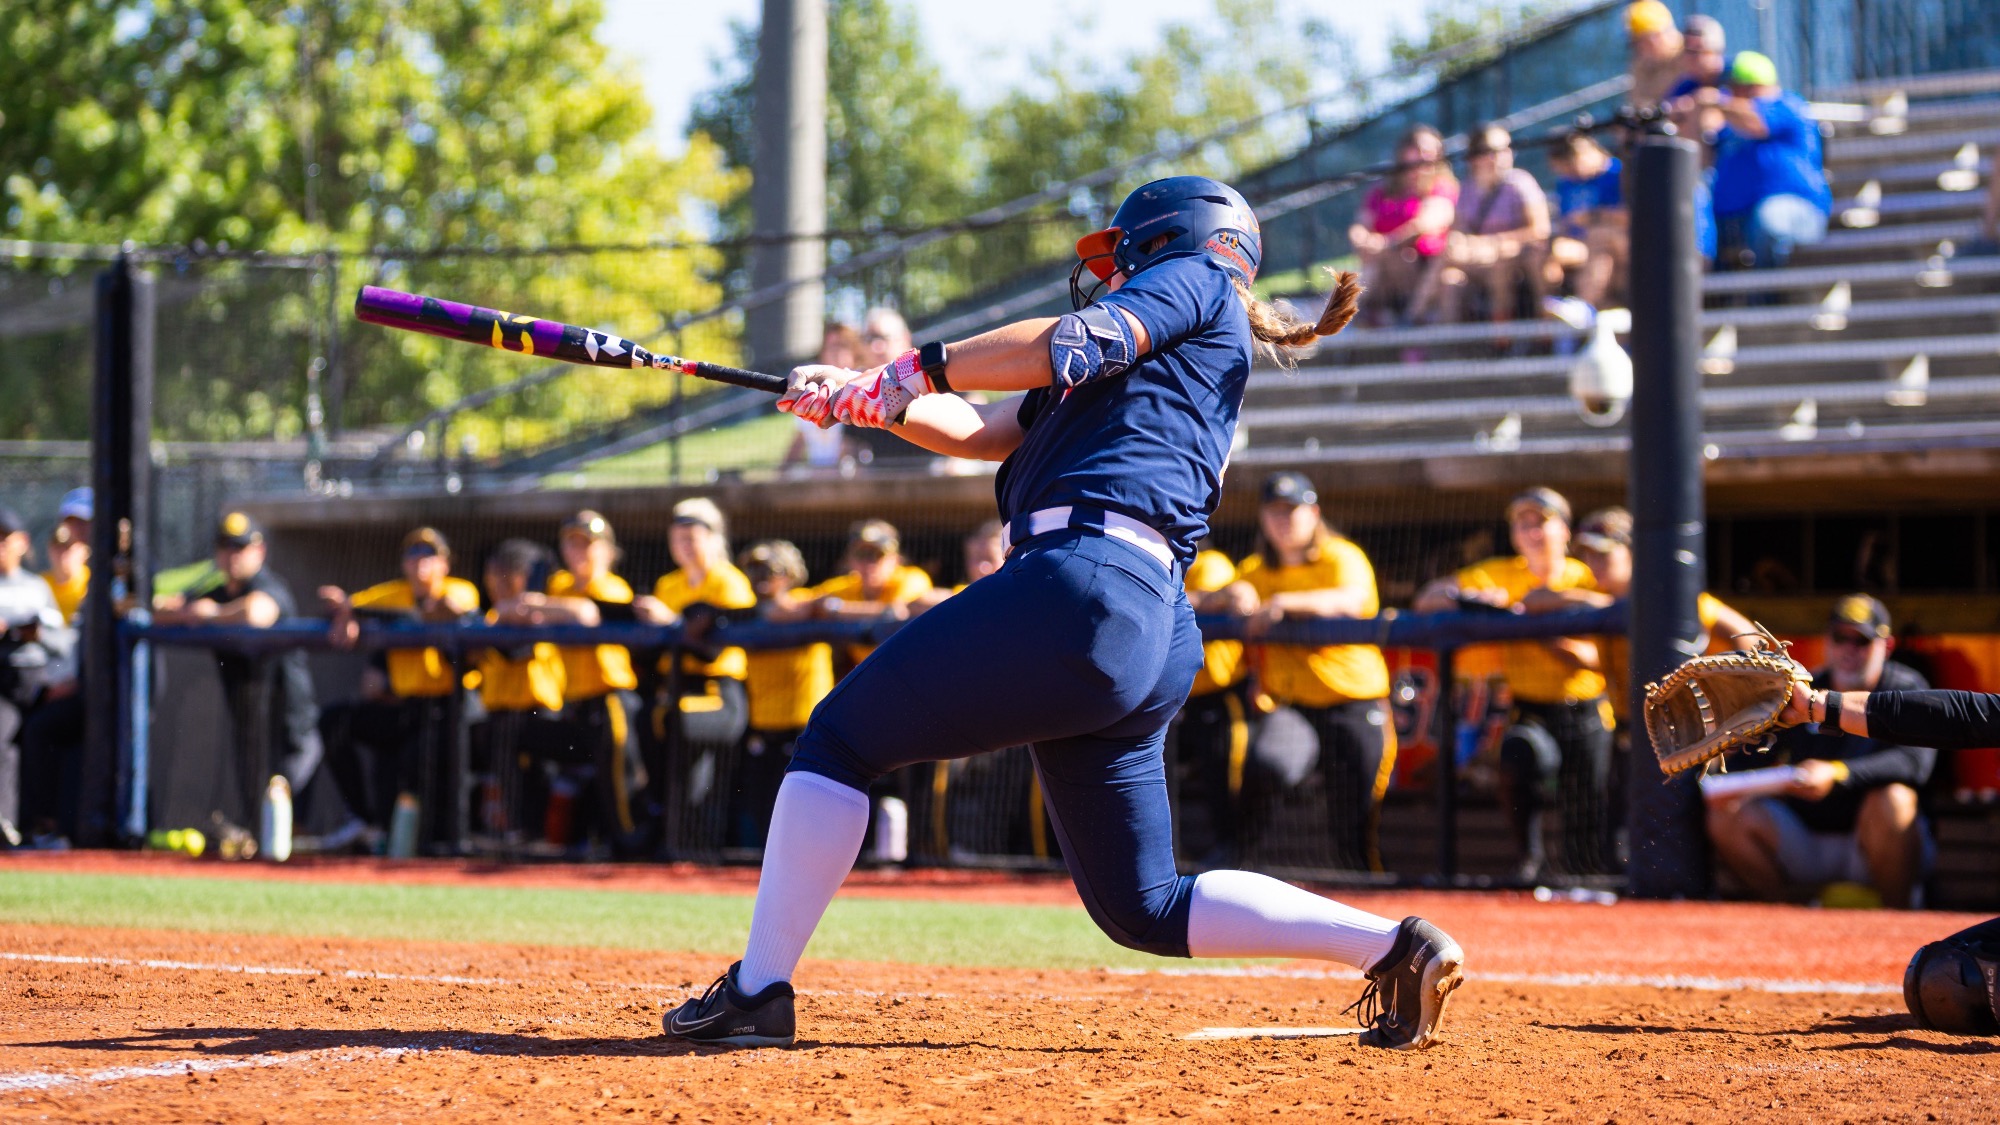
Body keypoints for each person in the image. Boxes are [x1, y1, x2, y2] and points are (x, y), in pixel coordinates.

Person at [663, 175, 1464, 1051]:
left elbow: (1070, 340)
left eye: (1122, 254)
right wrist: (866, 396)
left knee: (839, 741)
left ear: (1168, 241)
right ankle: (1393, 948)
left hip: (1087, 580)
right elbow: (980, 431)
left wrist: (908, 369)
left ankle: (758, 989)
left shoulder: (1196, 279)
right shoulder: (1154, 348)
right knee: (1143, 905)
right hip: (1142, 617)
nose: (1110, 270)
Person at [1414, 487, 1610, 878]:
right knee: (1519, 757)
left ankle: (1586, 879)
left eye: (1540, 522)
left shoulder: (1586, 575)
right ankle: (1530, 863)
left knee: (1587, 806)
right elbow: (1426, 600)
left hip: (1586, 708)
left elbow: (1592, 660)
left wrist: (1529, 627)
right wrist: (1467, 598)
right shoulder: (1501, 572)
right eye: (1522, 524)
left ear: (1564, 530)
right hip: (1530, 706)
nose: (1531, 532)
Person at [1209, 473, 1393, 873]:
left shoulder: (1340, 555)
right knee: (1267, 763)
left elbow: (1353, 600)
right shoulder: (1256, 569)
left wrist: (1283, 604)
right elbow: (1228, 597)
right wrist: (1231, 594)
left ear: (1313, 513)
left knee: (1356, 825)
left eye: (1291, 510)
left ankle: (1367, 890)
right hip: (1294, 707)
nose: (1282, 520)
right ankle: (1236, 866)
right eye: (1273, 511)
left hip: (1354, 704)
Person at [1707, 595, 1935, 909]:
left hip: (1872, 843)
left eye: (1861, 640)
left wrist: (1837, 773)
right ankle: (1788, 920)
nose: (1849, 649)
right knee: (1725, 813)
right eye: (1840, 638)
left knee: (1894, 799)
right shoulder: (1805, 689)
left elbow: (1914, 763)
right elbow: (1754, 759)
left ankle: (1898, 922)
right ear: (1827, 641)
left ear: (1887, 645)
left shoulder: (1906, 689)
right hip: (1808, 840)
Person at [153, 512, 321, 828]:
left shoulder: (267, 584)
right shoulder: (219, 590)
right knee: (257, 812)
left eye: (241, 547)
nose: (232, 555)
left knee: (286, 820)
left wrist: (210, 613)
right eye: (225, 546)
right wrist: (190, 611)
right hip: (249, 719)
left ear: (260, 551)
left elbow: (257, 613)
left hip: (288, 724)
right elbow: (158, 611)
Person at [319, 527, 482, 847]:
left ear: (445, 563)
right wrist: (345, 613)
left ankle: (436, 843)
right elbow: (347, 603)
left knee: (415, 760)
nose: (420, 561)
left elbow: (453, 609)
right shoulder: (396, 593)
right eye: (413, 553)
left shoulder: (459, 589)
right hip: (405, 706)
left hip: (451, 709)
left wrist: (437, 612)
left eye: (429, 554)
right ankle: (363, 821)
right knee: (336, 721)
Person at [1522, 506, 1757, 724]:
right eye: (1587, 554)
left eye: (1603, 553)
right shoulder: (1595, 593)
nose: (1593, 562)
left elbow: (1748, 635)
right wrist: (1595, 604)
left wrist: (1738, 704)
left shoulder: (1662, 594)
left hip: (1682, 725)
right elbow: (1533, 600)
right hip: (1629, 722)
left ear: (1632, 551)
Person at [633, 497, 756, 856]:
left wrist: (671, 622)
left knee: (667, 719)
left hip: (720, 692)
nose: (684, 545)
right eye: (677, 537)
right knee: (659, 726)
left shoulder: (728, 581)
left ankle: (692, 840)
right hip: (676, 687)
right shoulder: (668, 584)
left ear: (713, 537)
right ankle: (675, 835)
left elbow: (715, 644)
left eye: (692, 537)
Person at [543, 511, 644, 851]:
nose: (579, 551)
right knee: (585, 776)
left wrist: (542, 605)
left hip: (611, 697)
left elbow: (586, 613)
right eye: (572, 543)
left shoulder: (611, 585)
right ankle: (596, 843)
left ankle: (633, 846)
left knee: (619, 778)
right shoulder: (559, 586)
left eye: (587, 544)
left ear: (607, 549)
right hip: (575, 702)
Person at [469, 538, 579, 845]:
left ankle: (537, 835)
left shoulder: (542, 608)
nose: (495, 585)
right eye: (492, 576)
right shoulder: (493, 615)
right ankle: (519, 832)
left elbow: (517, 650)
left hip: (545, 713)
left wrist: (520, 608)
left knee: (534, 763)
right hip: (501, 714)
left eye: (504, 577)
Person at [731, 539, 833, 849]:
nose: (761, 578)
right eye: (754, 570)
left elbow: (814, 606)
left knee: (803, 811)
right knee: (762, 806)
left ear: (790, 574)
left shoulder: (804, 601)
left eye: (771, 571)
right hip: (763, 726)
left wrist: (769, 611)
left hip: (806, 727)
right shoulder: (744, 612)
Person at [1710, 52, 1831, 271]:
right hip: (1734, 217)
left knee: (1769, 220)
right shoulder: (1728, 123)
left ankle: (1770, 288)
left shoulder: (1787, 104)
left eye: (1735, 88)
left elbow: (1756, 124)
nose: (1731, 94)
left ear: (1754, 86)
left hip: (1798, 209)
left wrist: (1716, 102)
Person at [1173, 541, 1250, 866]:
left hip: (1220, 694)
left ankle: (1232, 854)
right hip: (1176, 698)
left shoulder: (1210, 562)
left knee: (1224, 775)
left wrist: (1156, 597)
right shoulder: (1157, 563)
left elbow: (1222, 599)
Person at [0, 507, 71, 847]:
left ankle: (42, 826)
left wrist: (35, 633)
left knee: (41, 735)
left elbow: (63, 643)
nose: (0, 546)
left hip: (37, 680)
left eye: (5, 538)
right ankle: (6, 822)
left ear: (23, 543)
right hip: (3, 680)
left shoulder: (36, 587)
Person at [775, 519, 933, 670]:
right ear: (849, 560)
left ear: (895, 559)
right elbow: (786, 604)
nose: (869, 563)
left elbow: (898, 611)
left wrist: (837, 608)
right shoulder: (845, 587)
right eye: (861, 554)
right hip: (876, 674)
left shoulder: (911, 578)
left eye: (877, 555)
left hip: (918, 668)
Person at [1442, 124, 1551, 328]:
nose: (1501, 157)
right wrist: (1460, 244)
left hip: (1513, 256)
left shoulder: (1520, 182)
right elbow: (1458, 230)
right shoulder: (1467, 189)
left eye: (1506, 149)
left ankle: (1504, 336)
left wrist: (1492, 242)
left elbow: (1540, 230)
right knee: (1449, 277)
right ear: (1475, 156)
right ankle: (1436, 335)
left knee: (1499, 267)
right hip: (1476, 259)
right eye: (1492, 151)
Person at [1348, 124, 1457, 327]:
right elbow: (1360, 226)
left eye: (1432, 151)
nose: (1425, 155)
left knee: (1384, 261)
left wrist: (1386, 243)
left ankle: (1407, 318)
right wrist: (1364, 241)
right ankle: (1348, 317)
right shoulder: (1382, 191)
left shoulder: (1443, 188)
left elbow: (1423, 224)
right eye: (1418, 149)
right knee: (1372, 265)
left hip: (1423, 266)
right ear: (1403, 152)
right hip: (1383, 264)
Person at [1544, 131, 1628, 315]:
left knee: (1598, 238)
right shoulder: (1567, 183)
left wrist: (1593, 216)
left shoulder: (1618, 173)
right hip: (1584, 246)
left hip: (1622, 244)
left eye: (1571, 167)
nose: (1569, 174)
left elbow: (1631, 217)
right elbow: (1566, 224)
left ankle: (1585, 306)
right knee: (1542, 252)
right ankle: (1548, 319)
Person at [784, 323, 865, 474]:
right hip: (817, 477)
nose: (836, 353)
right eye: (831, 347)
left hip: (851, 475)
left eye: (842, 346)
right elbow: (799, 440)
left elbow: (851, 447)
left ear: (854, 351)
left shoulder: (862, 388)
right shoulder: (812, 391)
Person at [41, 488, 91, 626]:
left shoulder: (112, 568)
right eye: (72, 522)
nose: (79, 529)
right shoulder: (41, 584)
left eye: (85, 522)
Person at [1625, 0, 1684, 109]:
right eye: (1636, 42)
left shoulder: (1689, 56)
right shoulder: (1641, 65)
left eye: (1643, 41)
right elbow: (1637, 102)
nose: (1640, 48)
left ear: (1659, 37)